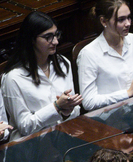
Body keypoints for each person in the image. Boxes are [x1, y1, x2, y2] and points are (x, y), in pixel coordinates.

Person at [1, 12, 81, 141]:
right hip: (30, 146)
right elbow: (24, 127)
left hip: (64, 138)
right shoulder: (13, 77)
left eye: (56, 35)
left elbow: (76, 110)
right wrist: (56, 107)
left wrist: (66, 112)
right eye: (48, 37)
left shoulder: (63, 63)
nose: (55, 41)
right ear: (32, 39)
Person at [76, 0, 133, 111]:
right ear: (103, 21)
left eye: (129, 17)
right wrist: (127, 93)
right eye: (121, 19)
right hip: (109, 119)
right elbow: (88, 102)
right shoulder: (89, 54)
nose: (128, 23)